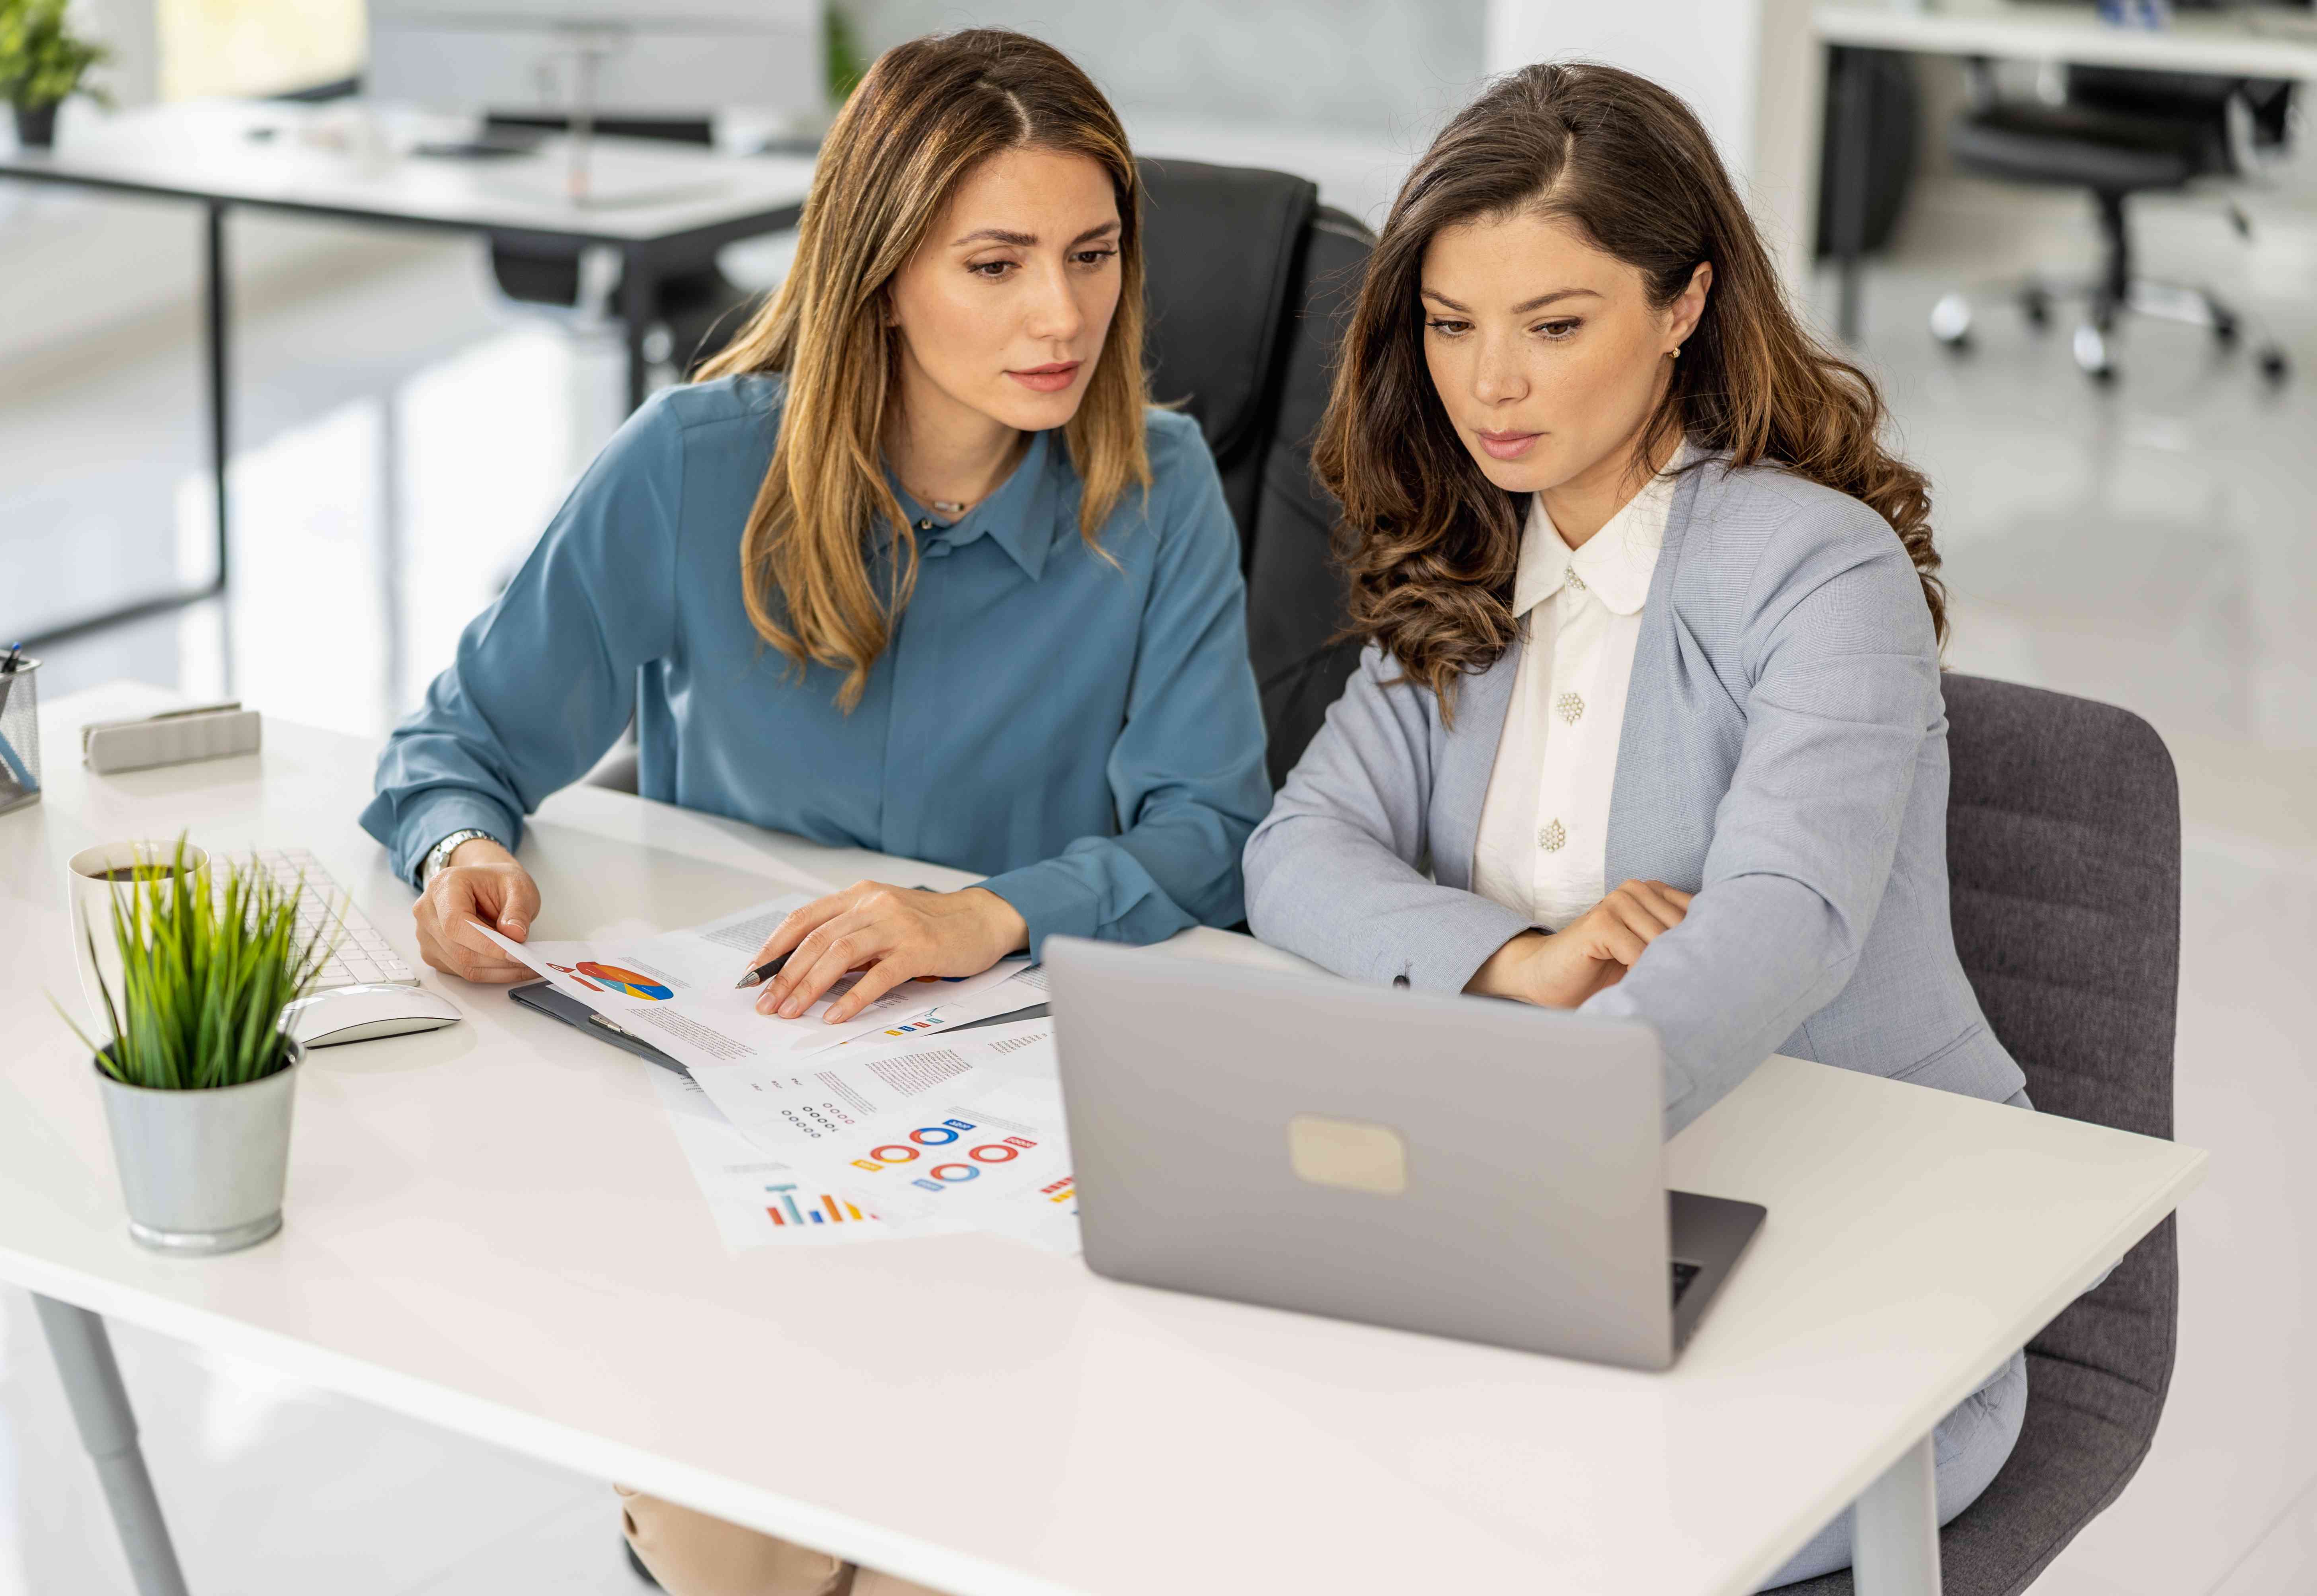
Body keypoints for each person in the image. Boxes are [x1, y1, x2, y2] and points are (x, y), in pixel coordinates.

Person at [363, 28, 1268, 1595]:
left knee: (945, 1541)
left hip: (1007, 1130)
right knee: (739, 1548)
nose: (1063, 314)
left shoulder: (1160, 485)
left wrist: (983, 913)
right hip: (735, 1123)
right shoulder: (690, 468)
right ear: (882, 274)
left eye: (1092, 253)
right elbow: (462, 739)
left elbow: (1208, 831)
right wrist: (461, 848)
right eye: (996, 264)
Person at [1241, 64, 2030, 1587]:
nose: (1492, 386)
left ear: (1684, 307)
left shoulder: (1821, 569)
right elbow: (1298, 852)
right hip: (1543, 1239)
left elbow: (1786, 917)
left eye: (1554, 326)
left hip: (1858, 1247)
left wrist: (1529, 1150)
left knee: (1491, 1529)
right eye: (1451, 326)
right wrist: (1512, 961)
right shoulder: (1463, 561)